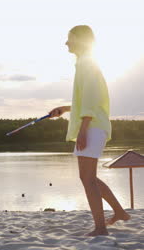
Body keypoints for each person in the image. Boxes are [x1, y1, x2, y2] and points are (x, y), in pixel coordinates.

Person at [49, 25, 130, 236]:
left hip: (92, 126)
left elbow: (92, 101)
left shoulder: (87, 64)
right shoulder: (84, 64)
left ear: (81, 40)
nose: (67, 43)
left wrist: (83, 129)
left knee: (87, 179)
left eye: (70, 38)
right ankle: (120, 213)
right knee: (89, 177)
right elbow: (87, 99)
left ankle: (101, 228)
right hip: (92, 125)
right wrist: (65, 109)